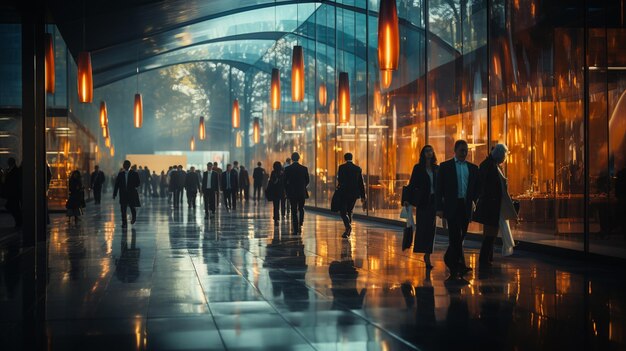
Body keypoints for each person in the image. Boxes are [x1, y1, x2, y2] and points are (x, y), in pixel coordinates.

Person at [435, 140, 479, 278]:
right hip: (452, 205)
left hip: (465, 205)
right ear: (455, 151)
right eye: (461, 150)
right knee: (454, 235)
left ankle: (449, 257)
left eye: (466, 150)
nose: (464, 153)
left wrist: (473, 201)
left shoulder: (472, 168)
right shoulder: (445, 166)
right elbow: (439, 190)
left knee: (462, 234)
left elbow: (476, 187)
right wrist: (439, 208)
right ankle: (457, 265)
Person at [474, 144, 518, 267]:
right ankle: (485, 259)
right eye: (504, 157)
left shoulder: (489, 165)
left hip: (491, 206)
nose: (504, 160)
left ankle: (487, 257)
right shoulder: (490, 166)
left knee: (490, 234)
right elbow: (487, 187)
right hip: (491, 206)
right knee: (490, 234)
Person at [405, 145, 439, 268]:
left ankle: (428, 255)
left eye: (430, 150)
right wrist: (407, 199)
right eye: (426, 151)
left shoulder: (436, 168)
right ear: (423, 153)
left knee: (431, 229)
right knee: (422, 228)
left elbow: (439, 186)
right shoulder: (418, 168)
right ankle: (422, 249)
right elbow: (412, 184)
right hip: (423, 202)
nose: (429, 153)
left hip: (433, 202)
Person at [336, 153, 366, 238]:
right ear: (352, 158)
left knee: (343, 212)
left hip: (344, 193)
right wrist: (363, 196)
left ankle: (348, 227)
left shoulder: (341, 167)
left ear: (345, 158)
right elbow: (361, 183)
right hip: (354, 194)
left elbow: (340, 180)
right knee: (349, 211)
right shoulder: (357, 169)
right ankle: (347, 231)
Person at [284, 152, 309, 234]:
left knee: (293, 210)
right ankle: (301, 222)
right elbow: (307, 180)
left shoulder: (287, 169)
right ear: (299, 158)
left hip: (292, 192)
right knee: (301, 208)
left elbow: (285, 181)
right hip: (301, 192)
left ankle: (295, 228)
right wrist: (302, 186)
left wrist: (287, 190)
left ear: (292, 159)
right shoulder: (304, 168)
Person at [113, 160, 141, 228]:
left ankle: (134, 217)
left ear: (129, 166)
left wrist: (133, 187)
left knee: (132, 207)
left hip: (131, 194)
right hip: (123, 194)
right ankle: (124, 223)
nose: (125, 166)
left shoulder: (134, 173)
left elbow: (138, 183)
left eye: (126, 165)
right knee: (123, 209)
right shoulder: (120, 174)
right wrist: (115, 193)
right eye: (124, 165)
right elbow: (117, 184)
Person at [3, 158, 22, 227]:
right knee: (14, 206)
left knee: (12, 206)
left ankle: (19, 221)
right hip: (14, 192)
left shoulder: (14, 171)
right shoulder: (14, 170)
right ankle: (19, 221)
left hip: (13, 192)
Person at [267, 161, 286, 225]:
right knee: (283, 203)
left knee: (276, 206)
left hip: (275, 191)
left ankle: (276, 218)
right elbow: (285, 182)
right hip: (282, 191)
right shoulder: (282, 172)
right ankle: (283, 213)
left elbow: (272, 181)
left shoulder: (273, 172)